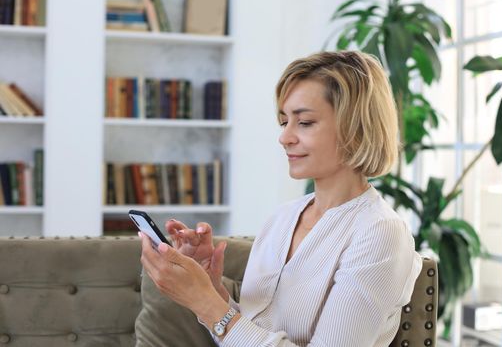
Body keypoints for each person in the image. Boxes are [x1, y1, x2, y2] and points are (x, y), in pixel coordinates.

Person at [138, 50, 423, 347]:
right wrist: (211, 289)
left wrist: (207, 303)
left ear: (355, 128)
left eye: (305, 122)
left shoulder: (380, 232)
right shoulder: (282, 218)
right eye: (284, 122)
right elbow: (254, 332)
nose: (285, 137)